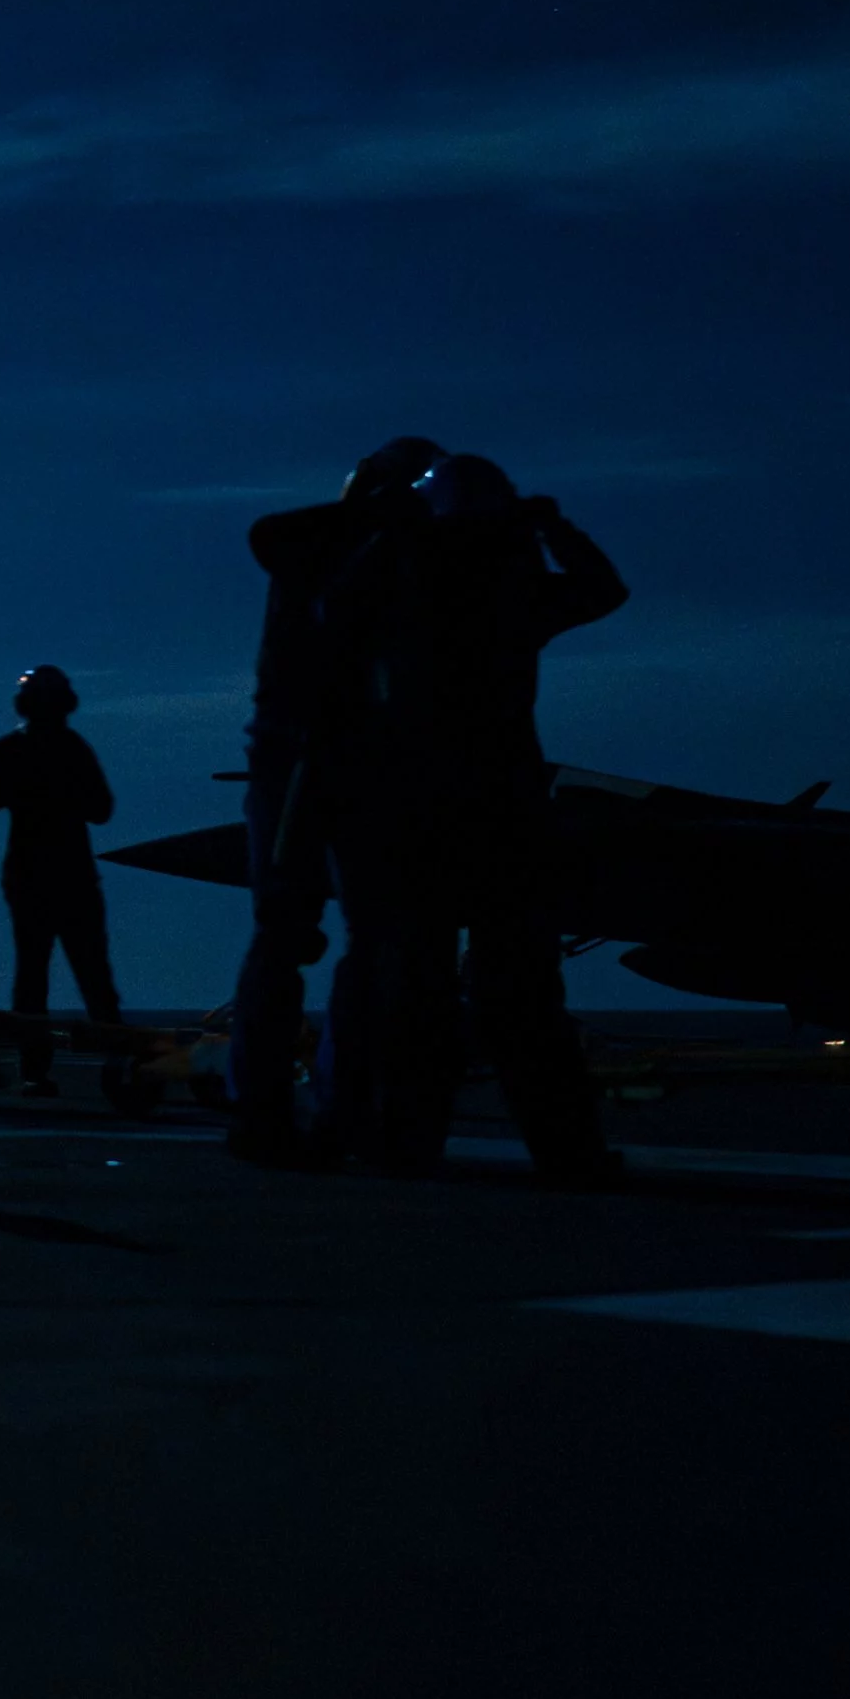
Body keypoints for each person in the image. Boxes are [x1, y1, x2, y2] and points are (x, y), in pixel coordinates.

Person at [320, 457, 626, 1180]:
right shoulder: (512, 590)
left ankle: (405, 1141)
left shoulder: (401, 583)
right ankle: (566, 1148)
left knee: (416, 983)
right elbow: (604, 589)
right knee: (521, 991)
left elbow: (335, 606)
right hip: (505, 806)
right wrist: (551, 526)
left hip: (418, 809)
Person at [226, 439, 444, 1165]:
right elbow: (271, 534)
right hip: (304, 759)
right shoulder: (325, 548)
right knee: (318, 937)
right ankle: (288, 1114)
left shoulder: (394, 561)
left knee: (332, 939)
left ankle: (314, 1111)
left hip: (330, 763)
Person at [0, 667, 122, 1095]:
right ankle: (121, 1059)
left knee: (32, 974)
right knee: (93, 972)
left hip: (28, 875)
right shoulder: (74, 749)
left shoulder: (10, 750)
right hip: (72, 875)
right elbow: (102, 809)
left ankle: (35, 1068)